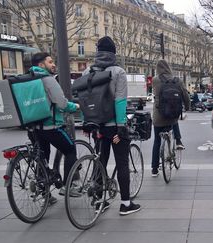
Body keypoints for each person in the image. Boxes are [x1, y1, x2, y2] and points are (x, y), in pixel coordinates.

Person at [82, 36, 140, 215]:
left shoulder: (87, 72)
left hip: (96, 126)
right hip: (113, 127)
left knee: (100, 161)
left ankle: (99, 200)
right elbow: (120, 101)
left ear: (98, 52)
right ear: (113, 52)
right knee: (122, 163)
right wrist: (121, 126)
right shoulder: (118, 72)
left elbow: (84, 100)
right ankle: (125, 203)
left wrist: (87, 122)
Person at [29, 52, 80, 204]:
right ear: (41, 65)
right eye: (50, 62)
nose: (53, 65)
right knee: (70, 149)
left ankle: (45, 193)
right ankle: (68, 187)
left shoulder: (26, 79)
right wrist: (75, 106)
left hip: (33, 127)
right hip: (50, 126)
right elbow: (61, 103)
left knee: (41, 157)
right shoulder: (47, 79)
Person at [151, 59, 190, 177]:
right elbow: (185, 95)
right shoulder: (177, 81)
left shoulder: (155, 80)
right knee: (174, 120)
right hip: (172, 116)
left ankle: (154, 169)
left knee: (157, 141)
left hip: (158, 117)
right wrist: (187, 107)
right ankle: (178, 140)